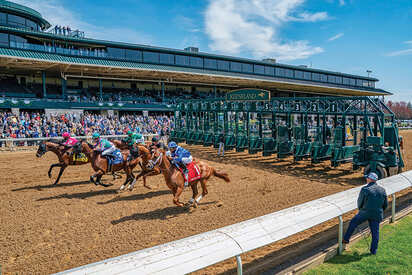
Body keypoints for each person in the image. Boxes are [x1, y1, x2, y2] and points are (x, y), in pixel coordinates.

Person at [343, 172, 388, 255]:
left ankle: (346, 239)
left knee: (353, 222)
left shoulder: (365, 189)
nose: (366, 179)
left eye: (367, 178)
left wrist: (361, 210)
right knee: (375, 233)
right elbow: (385, 205)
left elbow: (360, 202)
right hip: (377, 214)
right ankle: (373, 251)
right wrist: (378, 211)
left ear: (369, 179)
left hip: (365, 212)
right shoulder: (383, 190)